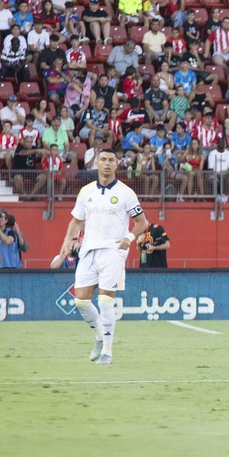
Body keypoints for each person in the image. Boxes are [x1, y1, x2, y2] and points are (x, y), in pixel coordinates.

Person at [59, 148, 149, 367]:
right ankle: (99, 337)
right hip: (88, 250)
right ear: (96, 163)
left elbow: (142, 223)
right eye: (103, 160)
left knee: (106, 299)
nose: (107, 163)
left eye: (111, 160)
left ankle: (108, 351)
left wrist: (129, 237)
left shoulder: (126, 192)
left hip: (113, 250)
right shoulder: (86, 192)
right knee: (81, 300)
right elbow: (76, 221)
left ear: (117, 164)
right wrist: (66, 241)